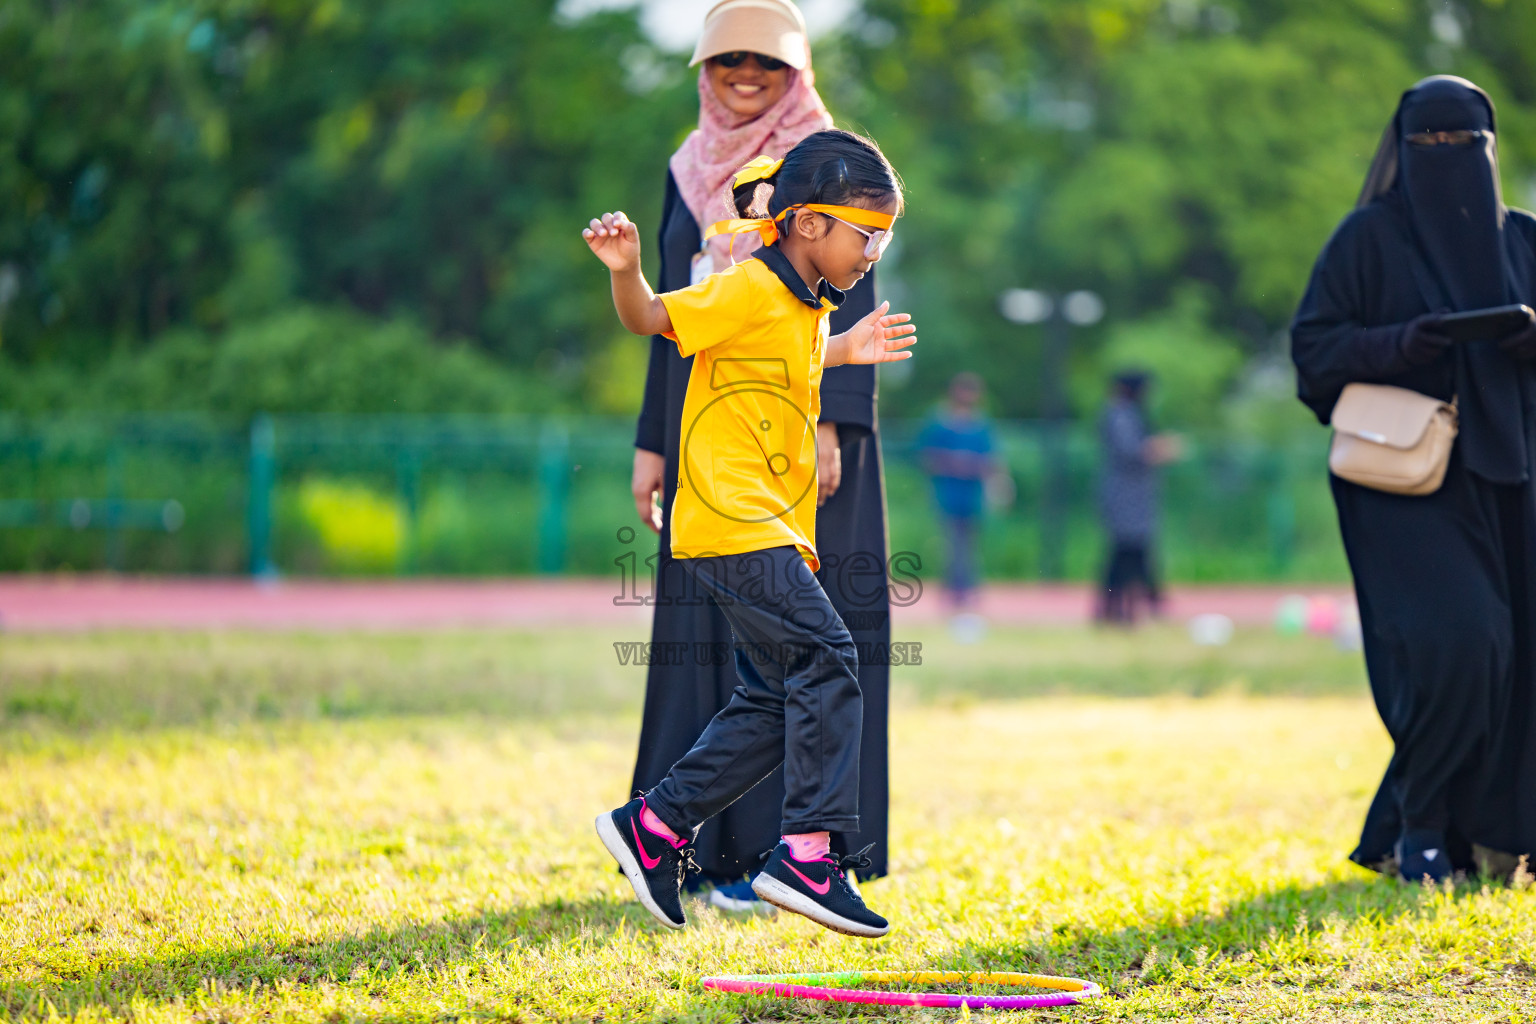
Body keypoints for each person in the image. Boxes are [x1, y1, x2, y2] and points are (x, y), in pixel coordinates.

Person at [585, 130, 914, 935]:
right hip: (729, 516)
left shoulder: (805, 304)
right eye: (865, 234)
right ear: (807, 225)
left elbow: (782, 364)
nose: (875, 252)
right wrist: (628, 271)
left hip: (765, 522)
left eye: (885, 238)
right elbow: (654, 320)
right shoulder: (746, 287)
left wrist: (845, 350)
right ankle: (807, 855)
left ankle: (653, 829)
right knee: (831, 656)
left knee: (773, 697)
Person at [1291, 76, 1536, 882]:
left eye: (1463, 145)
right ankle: (1422, 823)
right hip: (1401, 483)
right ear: (1400, 150)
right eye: (1428, 145)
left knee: (1516, 657)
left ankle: (1492, 835)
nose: (1447, 160)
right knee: (1463, 645)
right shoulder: (1367, 239)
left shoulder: (1524, 243)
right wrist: (1409, 342)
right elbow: (1315, 353)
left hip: (1510, 473)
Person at [917, 372, 1000, 629]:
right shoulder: (941, 422)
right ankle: (956, 592)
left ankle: (965, 590)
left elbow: (991, 461)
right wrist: (955, 462)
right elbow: (927, 457)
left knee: (968, 545)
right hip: (948, 494)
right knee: (954, 544)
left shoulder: (981, 425)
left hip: (971, 496)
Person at [1096, 371, 1178, 624]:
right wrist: (1160, 449)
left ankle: (1127, 608)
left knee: (1132, 553)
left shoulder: (1125, 413)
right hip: (1124, 496)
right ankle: (1116, 608)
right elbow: (1131, 451)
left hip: (1133, 496)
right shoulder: (1120, 414)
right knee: (1125, 553)